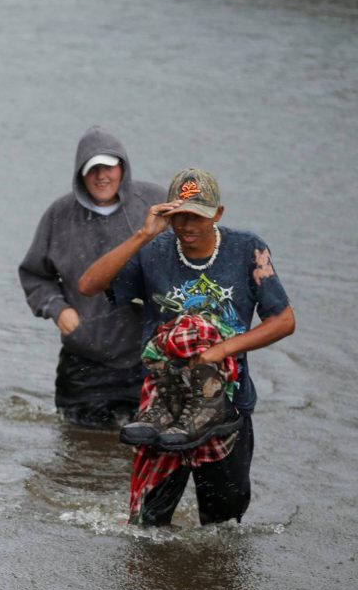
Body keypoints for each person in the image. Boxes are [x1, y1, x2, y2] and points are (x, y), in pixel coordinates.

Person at [78, 168, 295, 525]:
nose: (187, 226)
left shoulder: (247, 250)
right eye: (179, 216)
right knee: (147, 525)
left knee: (224, 522)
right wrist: (142, 235)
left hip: (226, 400)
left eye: (197, 217)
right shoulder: (153, 251)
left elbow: (284, 320)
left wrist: (223, 349)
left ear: (218, 214)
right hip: (164, 404)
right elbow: (87, 286)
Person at [18, 126, 167, 429]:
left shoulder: (153, 202)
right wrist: (57, 308)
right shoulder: (59, 214)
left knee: (144, 451)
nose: (102, 176)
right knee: (78, 454)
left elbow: (192, 249)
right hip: (84, 362)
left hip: (149, 358)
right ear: (80, 174)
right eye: (93, 168)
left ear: (122, 168)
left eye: (109, 167)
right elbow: (35, 275)